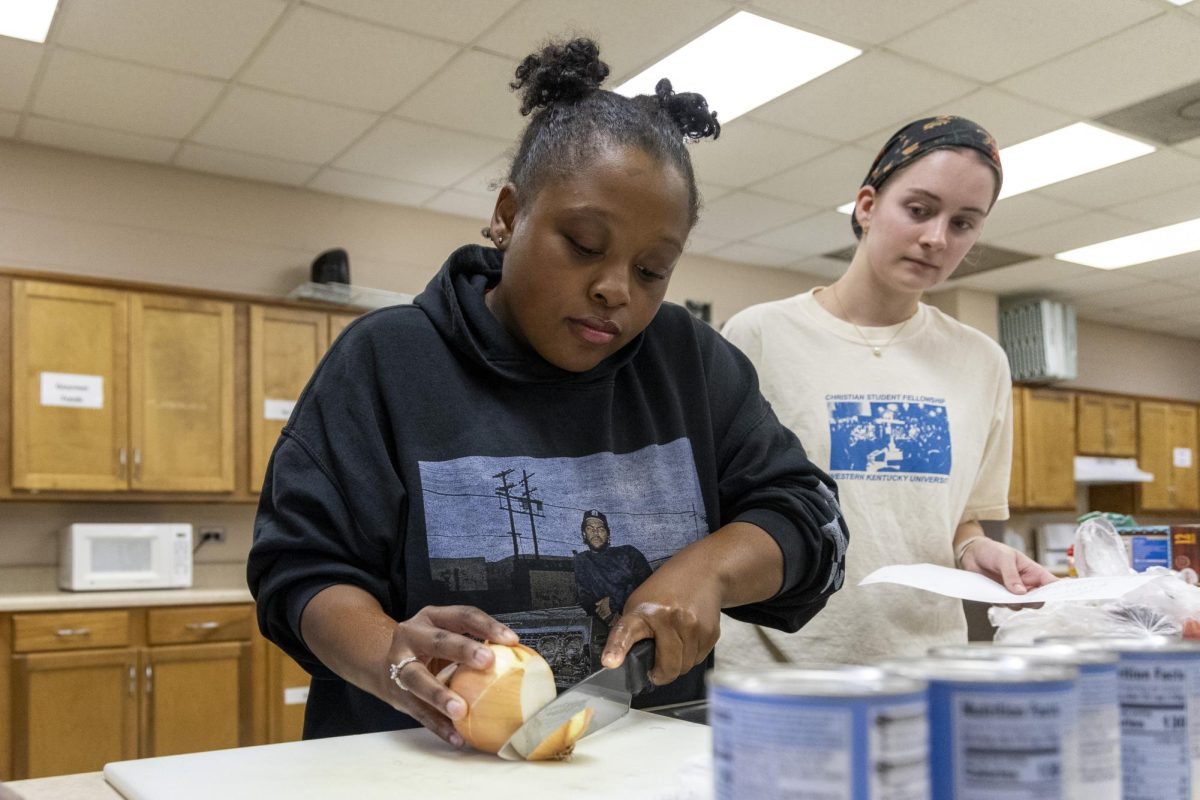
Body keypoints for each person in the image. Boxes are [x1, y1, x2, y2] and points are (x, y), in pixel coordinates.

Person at [248, 37, 849, 747]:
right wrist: (389, 651)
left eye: (654, 270)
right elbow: (300, 571)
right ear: (508, 216)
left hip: (642, 768)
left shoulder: (692, 364)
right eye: (584, 244)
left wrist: (711, 570)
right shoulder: (388, 360)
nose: (615, 289)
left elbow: (813, 525)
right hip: (420, 772)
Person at [716, 116, 1055, 669]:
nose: (937, 239)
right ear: (868, 205)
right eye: (919, 210)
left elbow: (957, 519)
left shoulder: (981, 362)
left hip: (926, 666)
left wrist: (977, 548)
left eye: (964, 223)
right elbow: (720, 502)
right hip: (779, 670)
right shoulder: (759, 335)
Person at [573, 509, 654, 626]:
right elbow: (586, 599)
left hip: (642, 617)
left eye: (601, 529)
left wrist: (614, 602)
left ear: (608, 534)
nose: (596, 533)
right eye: (590, 529)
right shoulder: (582, 560)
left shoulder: (629, 553)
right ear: (584, 534)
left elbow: (649, 585)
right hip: (607, 624)